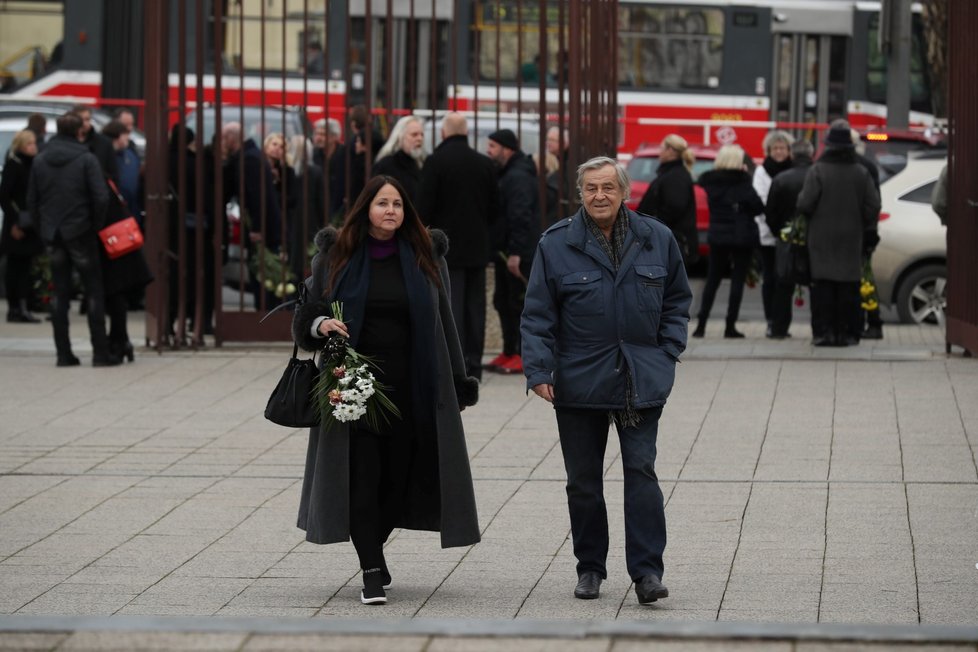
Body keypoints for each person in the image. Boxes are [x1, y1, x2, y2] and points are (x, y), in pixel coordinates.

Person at [291, 175, 481, 606]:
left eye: (397, 203)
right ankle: (372, 569)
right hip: (354, 386)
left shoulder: (424, 255)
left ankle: (372, 546)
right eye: (382, 203)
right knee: (363, 476)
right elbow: (308, 312)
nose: (391, 210)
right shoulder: (335, 255)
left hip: (412, 384)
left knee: (398, 479)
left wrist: (457, 380)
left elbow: (446, 322)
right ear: (365, 209)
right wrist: (319, 325)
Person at [520, 156, 692, 604]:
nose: (600, 196)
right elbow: (537, 314)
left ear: (624, 191)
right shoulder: (556, 244)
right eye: (591, 188)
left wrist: (668, 351)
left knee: (641, 473)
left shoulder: (657, 237)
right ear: (580, 194)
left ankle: (648, 573)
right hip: (579, 381)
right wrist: (539, 370)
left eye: (608, 188)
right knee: (583, 481)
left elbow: (677, 298)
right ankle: (590, 569)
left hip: (640, 378)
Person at [27, 112, 119, 367]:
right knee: (93, 291)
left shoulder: (41, 159)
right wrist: (94, 224)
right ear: (79, 132)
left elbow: (32, 200)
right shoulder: (86, 159)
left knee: (60, 291)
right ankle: (100, 352)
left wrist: (43, 227)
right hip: (81, 231)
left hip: (53, 232)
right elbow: (101, 197)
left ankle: (63, 353)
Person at [417, 112, 499, 380]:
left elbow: (424, 208)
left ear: (443, 133)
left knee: (451, 308)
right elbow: (495, 208)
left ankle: (455, 364)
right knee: (476, 309)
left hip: (446, 250)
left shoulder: (435, 162)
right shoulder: (485, 164)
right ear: (466, 133)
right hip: (477, 247)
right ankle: (474, 363)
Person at [797, 120, 881, 347]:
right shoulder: (861, 172)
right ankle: (847, 334)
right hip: (851, 239)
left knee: (823, 287)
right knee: (848, 288)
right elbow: (873, 206)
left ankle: (824, 334)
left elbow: (805, 203)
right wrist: (860, 222)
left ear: (829, 146)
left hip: (821, 240)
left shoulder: (818, 170)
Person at [692, 144, 766, 339]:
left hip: (718, 235)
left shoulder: (710, 181)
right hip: (742, 236)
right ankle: (729, 326)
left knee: (713, 279)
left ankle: (701, 325)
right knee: (737, 280)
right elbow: (758, 207)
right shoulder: (743, 181)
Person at [485, 128, 539, 375]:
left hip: (518, 253)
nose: (489, 151)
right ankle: (508, 351)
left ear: (507, 149)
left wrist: (516, 252)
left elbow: (520, 216)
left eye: (493, 146)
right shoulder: (507, 174)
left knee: (516, 304)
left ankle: (519, 352)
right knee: (503, 302)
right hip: (506, 250)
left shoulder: (518, 176)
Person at [100, 120, 152, 361]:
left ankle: (118, 342)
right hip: (121, 241)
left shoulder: (103, 178)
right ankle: (122, 341)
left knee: (114, 294)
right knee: (117, 295)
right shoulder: (112, 176)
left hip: (112, 244)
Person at [222, 121, 282, 310]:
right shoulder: (250, 156)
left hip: (263, 227)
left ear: (232, 138)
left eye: (225, 137)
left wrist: (257, 227)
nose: (223, 142)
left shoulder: (249, 159)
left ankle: (265, 316)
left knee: (262, 274)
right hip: (265, 224)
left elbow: (257, 196)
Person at [764, 139, 815, 339]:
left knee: (784, 284)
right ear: (811, 155)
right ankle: (818, 328)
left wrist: (780, 232)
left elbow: (770, 212)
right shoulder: (817, 175)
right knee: (816, 284)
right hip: (814, 239)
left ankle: (779, 329)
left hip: (786, 239)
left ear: (792, 155)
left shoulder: (781, 178)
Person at [752, 130, 794, 336]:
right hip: (767, 236)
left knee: (785, 280)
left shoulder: (793, 169)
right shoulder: (762, 171)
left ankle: (782, 323)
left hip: (788, 235)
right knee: (770, 278)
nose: (779, 152)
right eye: (775, 148)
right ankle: (771, 320)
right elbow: (760, 200)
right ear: (769, 150)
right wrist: (773, 226)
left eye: (782, 148)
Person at [0, 129, 44, 322]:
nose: (33, 146)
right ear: (21, 146)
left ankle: (24, 305)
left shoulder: (35, 165)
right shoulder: (14, 165)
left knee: (26, 266)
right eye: (29, 143)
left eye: (34, 143)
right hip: (16, 223)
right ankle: (14, 307)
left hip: (31, 223)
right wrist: (15, 221)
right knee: (14, 266)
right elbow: (5, 196)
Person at [636, 133, 699, 269]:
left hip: (671, 243)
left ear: (670, 151)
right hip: (668, 241)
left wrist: (653, 223)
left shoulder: (675, 176)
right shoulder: (671, 173)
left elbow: (674, 207)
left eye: (662, 148)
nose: (660, 152)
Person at [850, 129, 884, 340]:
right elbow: (875, 204)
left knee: (861, 279)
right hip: (864, 231)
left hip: (858, 231)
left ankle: (871, 321)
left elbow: (872, 203)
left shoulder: (863, 167)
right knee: (864, 278)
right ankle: (871, 322)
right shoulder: (867, 166)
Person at [371, 115, 425, 207]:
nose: (419, 139)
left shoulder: (421, 163)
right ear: (400, 137)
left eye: (422, 135)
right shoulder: (386, 165)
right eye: (414, 134)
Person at [312, 117, 346, 221]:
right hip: (317, 208)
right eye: (317, 134)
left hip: (339, 208)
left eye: (323, 134)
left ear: (335, 137)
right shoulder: (313, 154)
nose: (318, 138)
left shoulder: (344, 154)